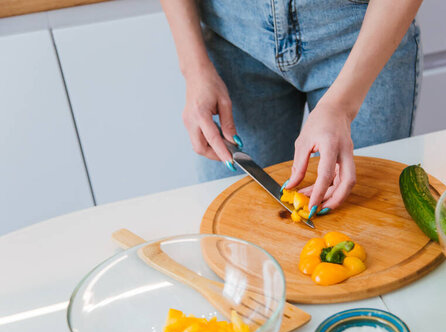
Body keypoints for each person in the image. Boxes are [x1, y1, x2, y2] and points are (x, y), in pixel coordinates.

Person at [161, 0, 422, 219]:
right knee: (233, 225)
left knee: (368, 220)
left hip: (362, 33)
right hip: (233, 36)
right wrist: (193, 68)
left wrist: (341, 106)